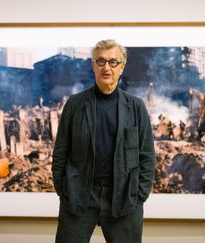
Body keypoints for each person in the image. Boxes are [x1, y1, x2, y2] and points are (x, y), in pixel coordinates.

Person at [52, 39, 156, 243]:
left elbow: (147, 156)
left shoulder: (136, 107)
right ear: (93, 65)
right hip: (79, 197)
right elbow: (60, 153)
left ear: (122, 67)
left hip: (124, 198)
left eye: (113, 62)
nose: (106, 67)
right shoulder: (74, 105)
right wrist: (64, 190)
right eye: (100, 61)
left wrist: (139, 194)